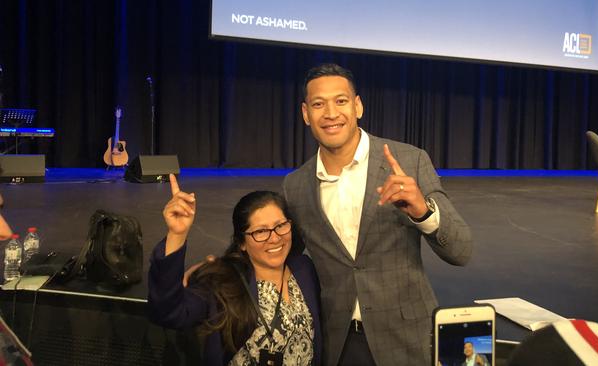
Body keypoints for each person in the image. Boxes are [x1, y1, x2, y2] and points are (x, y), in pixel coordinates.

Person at [281, 63, 473, 365]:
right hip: (339, 344)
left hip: (408, 340)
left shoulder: (409, 161)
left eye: (341, 101)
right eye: (319, 104)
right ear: (306, 114)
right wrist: (218, 270)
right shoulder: (295, 185)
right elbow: (279, 253)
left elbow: (462, 250)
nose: (331, 113)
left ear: (358, 106)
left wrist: (423, 212)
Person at [148, 175, 322, 365]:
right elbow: (167, 313)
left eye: (280, 226)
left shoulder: (304, 270)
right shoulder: (225, 284)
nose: (274, 238)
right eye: (261, 231)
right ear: (241, 243)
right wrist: (177, 234)